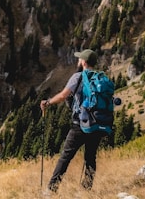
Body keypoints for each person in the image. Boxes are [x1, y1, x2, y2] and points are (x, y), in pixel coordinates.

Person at [40, 49, 107, 192]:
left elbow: (63, 96)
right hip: (97, 125)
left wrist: (48, 102)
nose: (78, 61)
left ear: (83, 62)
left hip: (79, 125)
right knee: (90, 158)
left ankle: (51, 190)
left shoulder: (78, 77)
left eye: (79, 59)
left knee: (65, 157)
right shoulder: (101, 78)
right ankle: (86, 190)